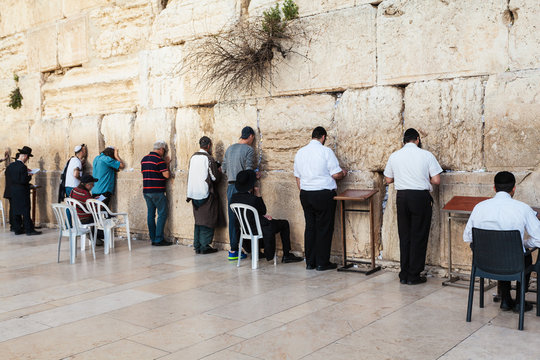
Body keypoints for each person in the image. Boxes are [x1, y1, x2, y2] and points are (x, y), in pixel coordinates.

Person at [463, 171, 540, 313]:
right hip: (513, 263)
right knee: (523, 255)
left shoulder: (479, 207)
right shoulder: (522, 208)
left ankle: (505, 299)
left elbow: (467, 237)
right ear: (514, 188)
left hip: (485, 264)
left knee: (500, 252)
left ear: (494, 188)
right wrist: (523, 244)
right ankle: (519, 301)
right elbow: (539, 238)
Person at [384, 128, 443, 285]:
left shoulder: (394, 155)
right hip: (419, 197)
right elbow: (436, 180)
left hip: (402, 197)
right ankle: (414, 275)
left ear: (404, 141)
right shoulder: (426, 155)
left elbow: (388, 179)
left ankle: (404, 274)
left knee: (405, 235)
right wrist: (422, 178)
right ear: (417, 139)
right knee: (419, 235)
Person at [294, 126, 347, 271]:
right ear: (323, 137)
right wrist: (343, 173)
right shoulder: (326, 151)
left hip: (306, 193)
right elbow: (336, 174)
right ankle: (322, 262)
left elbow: (297, 176)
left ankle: (310, 262)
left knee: (310, 227)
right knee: (324, 228)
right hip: (323, 194)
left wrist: (304, 190)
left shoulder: (300, 152)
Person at [231, 170, 303, 263]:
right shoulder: (253, 199)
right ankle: (286, 254)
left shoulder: (234, 197)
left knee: (266, 222)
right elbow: (263, 211)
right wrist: (258, 194)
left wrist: (261, 217)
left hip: (245, 230)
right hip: (258, 229)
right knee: (284, 223)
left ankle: (257, 252)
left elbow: (252, 213)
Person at [222, 126, 259, 260]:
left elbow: (224, 169)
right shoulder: (249, 150)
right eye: (253, 139)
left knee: (233, 218)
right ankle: (252, 249)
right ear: (250, 136)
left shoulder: (229, 149)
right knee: (247, 218)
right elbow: (249, 170)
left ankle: (233, 250)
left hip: (231, 187)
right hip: (243, 188)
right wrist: (256, 175)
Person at [186, 136, 222, 254]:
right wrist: (219, 171)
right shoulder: (208, 158)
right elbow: (214, 177)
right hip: (204, 193)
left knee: (198, 220)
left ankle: (197, 245)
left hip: (193, 192)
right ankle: (205, 246)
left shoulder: (193, 157)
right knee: (208, 219)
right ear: (209, 146)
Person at [141, 141, 172, 246]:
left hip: (146, 191)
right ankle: (159, 239)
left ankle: (153, 238)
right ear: (161, 149)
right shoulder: (159, 160)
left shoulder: (144, 159)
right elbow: (166, 175)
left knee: (150, 214)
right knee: (162, 214)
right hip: (157, 191)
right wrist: (166, 164)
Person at [4, 146, 40, 235]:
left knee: (15, 210)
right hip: (22, 192)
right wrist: (30, 175)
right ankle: (29, 230)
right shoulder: (22, 167)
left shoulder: (10, 166)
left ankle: (17, 230)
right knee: (26, 210)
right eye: (28, 158)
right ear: (25, 156)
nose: (27, 160)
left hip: (13, 191)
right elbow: (23, 180)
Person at [70, 174, 103, 246]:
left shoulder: (73, 190)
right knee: (102, 218)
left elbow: (83, 202)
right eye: (92, 185)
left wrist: (92, 199)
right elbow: (94, 209)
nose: (93, 187)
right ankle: (94, 234)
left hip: (77, 218)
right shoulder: (85, 193)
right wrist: (100, 203)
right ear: (88, 185)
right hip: (85, 219)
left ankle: (94, 235)